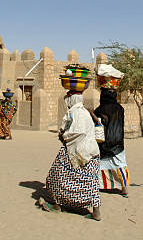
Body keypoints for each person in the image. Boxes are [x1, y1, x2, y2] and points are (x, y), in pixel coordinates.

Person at [39, 90, 102, 220]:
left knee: (56, 175)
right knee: (90, 181)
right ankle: (96, 211)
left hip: (76, 151)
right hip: (92, 152)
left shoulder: (73, 113)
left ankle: (57, 205)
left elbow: (72, 132)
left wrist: (63, 136)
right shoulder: (85, 111)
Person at [94, 69, 129, 197]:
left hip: (104, 142)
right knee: (120, 163)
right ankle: (124, 188)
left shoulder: (100, 109)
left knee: (101, 164)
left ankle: (101, 185)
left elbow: (98, 123)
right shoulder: (120, 108)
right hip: (118, 142)